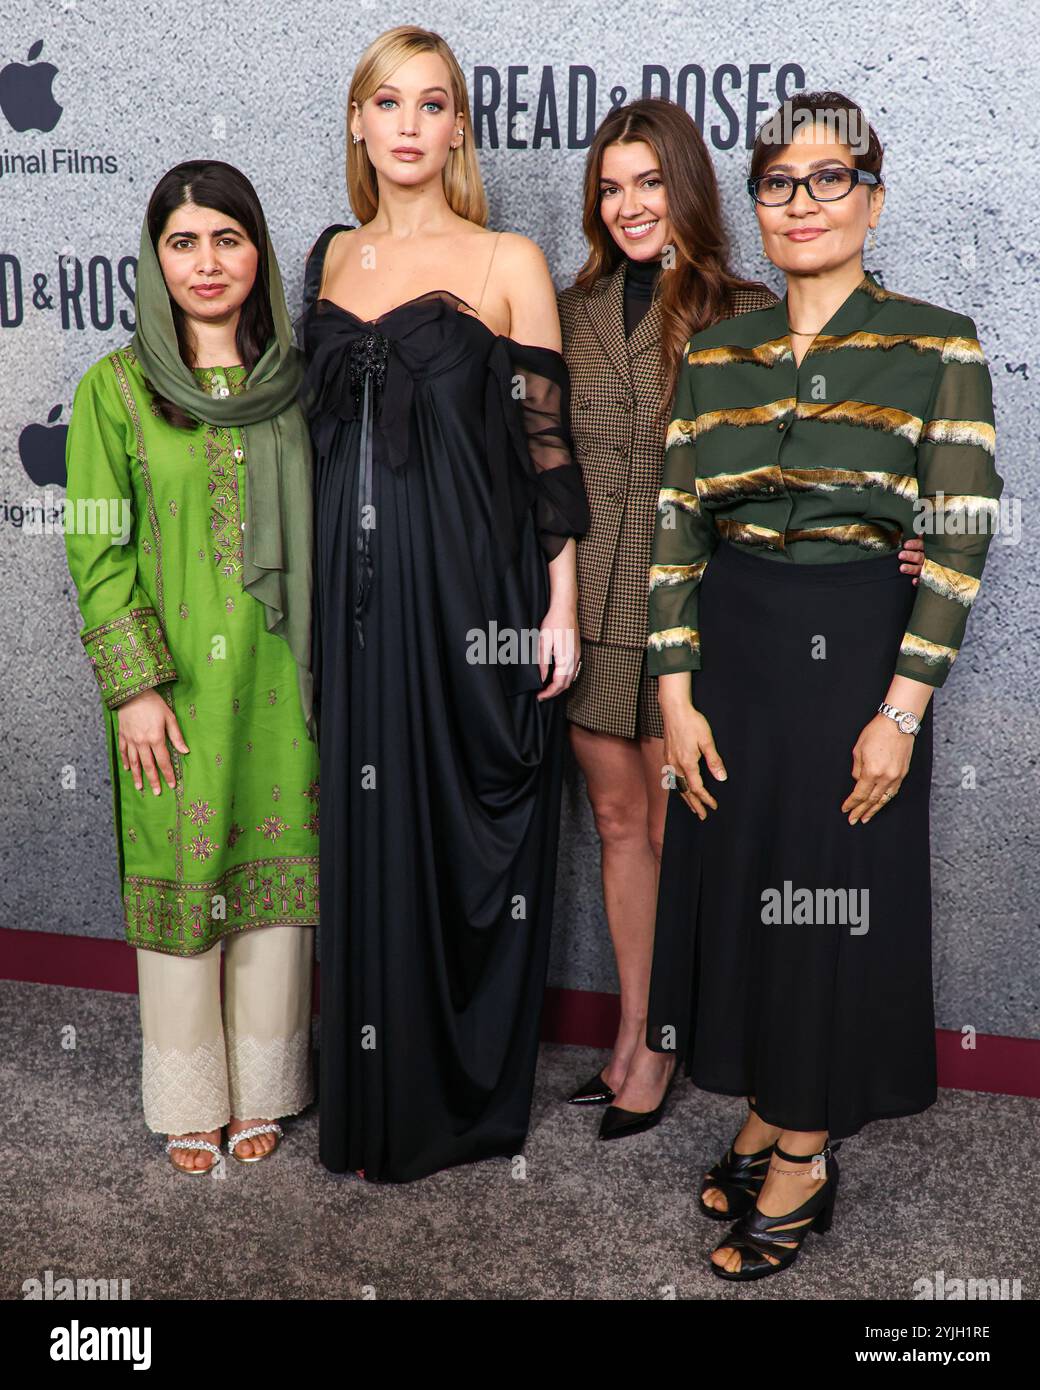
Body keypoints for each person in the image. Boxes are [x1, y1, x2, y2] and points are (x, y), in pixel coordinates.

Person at [645, 91, 1002, 1280]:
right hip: (732, 650)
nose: (800, 201)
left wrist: (900, 710)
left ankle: (803, 1150)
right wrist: (673, 694)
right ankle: (764, 1095)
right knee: (744, 884)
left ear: (871, 199)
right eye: (776, 183)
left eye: (827, 177)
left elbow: (956, 535)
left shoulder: (934, 341)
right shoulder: (714, 352)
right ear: (754, 208)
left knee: (831, 892)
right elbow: (673, 529)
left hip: (857, 650)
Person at [557, 98, 926, 1139]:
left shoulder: (745, 309)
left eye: (649, 181)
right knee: (619, 827)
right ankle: (632, 1030)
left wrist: (902, 537)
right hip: (594, 604)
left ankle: (684, 1038)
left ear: (688, 188)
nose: (629, 204)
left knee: (696, 834)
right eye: (610, 184)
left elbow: (822, 471)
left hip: (711, 615)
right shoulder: (569, 308)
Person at [295, 26, 588, 1183]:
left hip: (471, 590)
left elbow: (546, 452)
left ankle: (448, 1098)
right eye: (386, 102)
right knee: (365, 823)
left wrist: (556, 605)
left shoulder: (506, 258)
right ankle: (367, 1095)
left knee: (461, 822)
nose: (408, 124)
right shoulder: (327, 258)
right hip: (352, 600)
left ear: (458, 127)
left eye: (431, 104)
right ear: (359, 123)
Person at [64, 161, 320, 1173]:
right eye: (183, 242)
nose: (206, 263)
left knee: (278, 876)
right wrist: (132, 685)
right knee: (183, 868)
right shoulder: (115, 390)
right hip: (169, 686)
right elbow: (94, 542)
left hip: (282, 677)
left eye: (227, 239)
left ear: (258, 253)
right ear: (154, 258)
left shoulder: (296, 382)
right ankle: (187, 1098)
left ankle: (265, 1087)